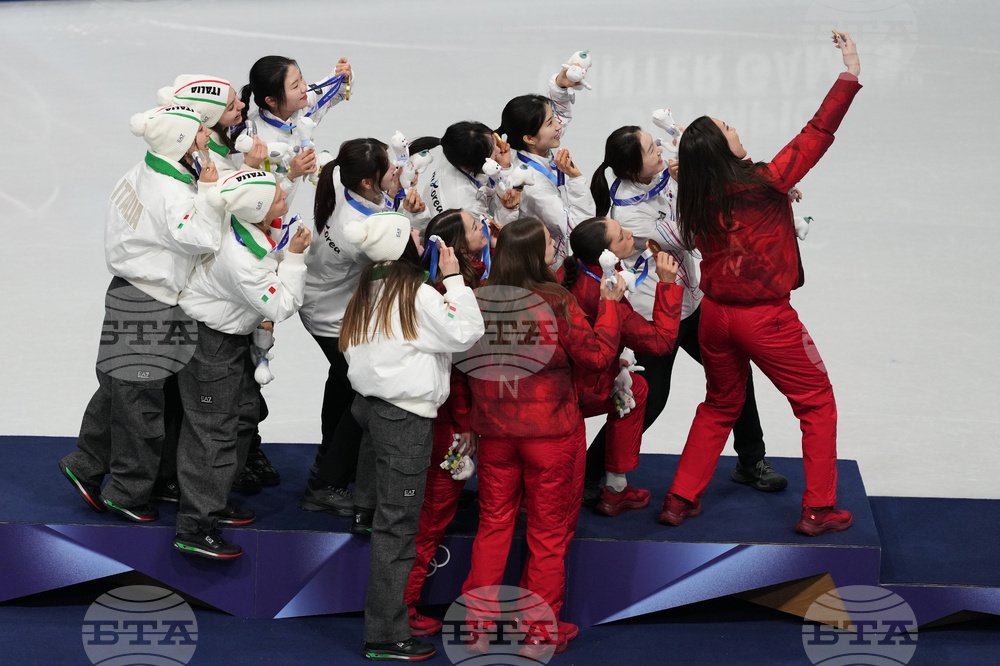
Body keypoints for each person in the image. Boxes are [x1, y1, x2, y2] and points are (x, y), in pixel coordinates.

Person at [661, 33, 862, 536]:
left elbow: (701, 163)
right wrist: (849, 76)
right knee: (817, 403)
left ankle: (680, 498)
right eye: (728, 126)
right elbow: (816, 132)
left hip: (714, 319)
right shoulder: (767, 182)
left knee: (719, 405)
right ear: (721, 148)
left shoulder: (697, 193)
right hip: (765, 319)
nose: (736, 126)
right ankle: (819, 508)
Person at [587, 124, 787, 505]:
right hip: (654, 317)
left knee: (735, 375)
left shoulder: (657, 175)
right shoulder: (630, 217)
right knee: (649, 399)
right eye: (651, 149)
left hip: (692, 305)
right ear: (632, 170)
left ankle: (752, 461)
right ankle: (587, 472)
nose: (659, 150)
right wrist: (694, 182)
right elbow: (694, 234)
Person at [457, 218, 626, 658]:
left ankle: (476, 627)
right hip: (551, 436)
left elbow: (459, 366)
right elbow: (596, 357)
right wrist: (610, 306)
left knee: (493, 527)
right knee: (548, 535)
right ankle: (537, 631)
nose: (557, 248)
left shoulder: (475, 300)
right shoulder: (557, 300)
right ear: (536, 253)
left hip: (494, 435)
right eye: (552, 243)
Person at [58, 105, 226, 522]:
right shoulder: (172, 193)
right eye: (199, 134)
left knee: (120, 390)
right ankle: (127, 492)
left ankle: (86, 463)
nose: (207, 138)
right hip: (148, 305)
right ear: (180, 143)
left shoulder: (143, 172)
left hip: (129, 292)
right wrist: (207, 194)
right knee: (140, 407)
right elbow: (204, 239)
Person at [339, 211, 484, 662]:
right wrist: (456, 281)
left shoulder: (369, 284)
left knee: (387, 517)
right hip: (403, 420)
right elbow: (466, 332)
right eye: (416, 234)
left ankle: (366, 509)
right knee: (398, 529)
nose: (425, 237)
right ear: (403, 246)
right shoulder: (417, 294)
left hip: (370, 407)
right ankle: (385, 634)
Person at [173, 169, 311, 559]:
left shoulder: (240, 223)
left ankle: (214, 500)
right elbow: (281, 304)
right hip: (210, 344)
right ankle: (195, 526)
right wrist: (296, 259)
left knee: (236, 419)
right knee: (212, 433)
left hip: (227, 337)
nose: (285, 198)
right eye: (278, 199)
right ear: (259, 211)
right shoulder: (241, 262)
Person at [297, 139, 424, 517]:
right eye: (390, 171)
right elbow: (409, 265)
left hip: (323, 302)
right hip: (334, 318)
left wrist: (397, 201)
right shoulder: (363, 230)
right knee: (363, 398)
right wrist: (410, 218)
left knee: (342, 383)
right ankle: (326, 485)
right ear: (368, 182)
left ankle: (326, 460)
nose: (396, 173)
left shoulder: (340, 176)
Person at [403, 208, 489, 635]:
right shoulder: (442, 292)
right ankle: (402, 606)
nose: (485, 229)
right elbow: (459, 373)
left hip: (448, 416)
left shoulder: (459, 281)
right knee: (434, 512)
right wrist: (464, 427)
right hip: (447, 423)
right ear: (454, 245)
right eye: (476, 226)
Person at [559, 217, 683, 515]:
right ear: (607, 254)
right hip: (581, 389)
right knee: (636, 391)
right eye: (621, 235)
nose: (630, 234)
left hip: (552, 378)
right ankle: (615, 489)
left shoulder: (569, 271)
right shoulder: (603, 293)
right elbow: (661, 343)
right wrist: (667, 285)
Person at [498, 66, 594, 262]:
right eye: (550, 123)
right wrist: (576, 179)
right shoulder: (533, 186)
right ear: (530, 138)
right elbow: (579, 230)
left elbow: (561, 117)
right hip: (552, 263)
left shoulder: (537, 148)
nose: (558, 125)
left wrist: (559, 86)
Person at [237, 55, 353, 208]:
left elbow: (331, 88)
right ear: (271, 100)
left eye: (301, 78)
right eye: (294, 86)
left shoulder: (300, 105)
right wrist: (292, 173)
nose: (304, 87)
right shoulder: (253, 141)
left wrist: (342, 77)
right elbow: (256, 203)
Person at [407, 122, 520, 231]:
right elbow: (494, 237)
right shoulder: (469, 207)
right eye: (492, 149)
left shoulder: (453, 154)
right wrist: (508, 210)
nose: (499, 150)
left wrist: (503, 169)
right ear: (476, 161)